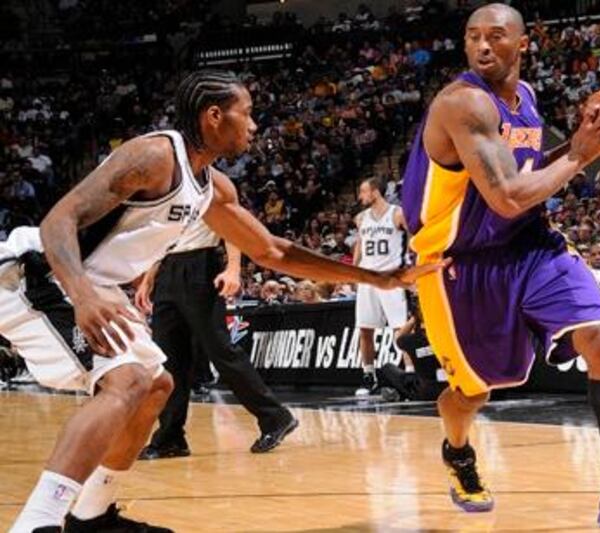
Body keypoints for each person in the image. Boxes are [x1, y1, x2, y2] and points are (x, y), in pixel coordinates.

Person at [0, 70, 442, 533]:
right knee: (127, 380)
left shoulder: (211, 187)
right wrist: (83, 295)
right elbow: (58, 221)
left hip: (92, 284)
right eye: (246, 114)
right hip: (42, 274)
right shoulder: (153, 156)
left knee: (155, 387)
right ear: (214, 116)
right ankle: (36, 523)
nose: (253, 125)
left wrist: (376, 277)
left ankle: (91, 516)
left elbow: (272, 251)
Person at [401, 4, 600, 529]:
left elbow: (528, 176)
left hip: (529, 243)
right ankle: (457, 451)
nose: (482, 46)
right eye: (473, 37)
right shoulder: (462, 104)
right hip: (459, 262)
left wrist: (579, 144)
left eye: (496, 37)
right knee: (474, 391)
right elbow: (504, 196)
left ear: (523, 44)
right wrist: (583, 156)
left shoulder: (523, 98)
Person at [134, 218, 297, 461]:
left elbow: (231, 226)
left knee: (220, 349)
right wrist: (148, 278)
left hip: (201, 265)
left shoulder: (208, 184)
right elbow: (166, 242)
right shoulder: (170, 193)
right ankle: (170, 438)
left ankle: (275, 417)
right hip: (168, 270)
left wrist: (233, 268)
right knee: (169, 359)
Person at [352, 177, 411, 396]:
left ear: (375, 192)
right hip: (367, 279)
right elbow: (360, 245)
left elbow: (414, 235)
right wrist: (354, 270)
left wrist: (411, 264)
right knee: (365, 329)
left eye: (363, 191)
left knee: (400, 328)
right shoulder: (360, 218)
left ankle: (411, 373)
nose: (360, 196)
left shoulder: (397, 213)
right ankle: (369, 376)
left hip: (391, 278)